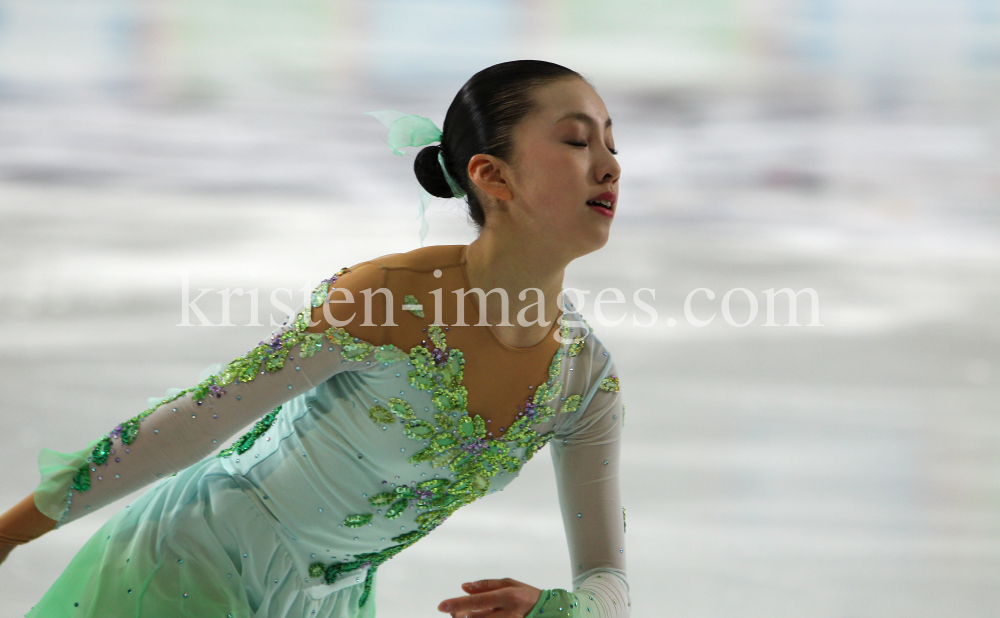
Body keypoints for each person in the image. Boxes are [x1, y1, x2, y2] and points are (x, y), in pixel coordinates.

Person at [0, 59, 628, 618]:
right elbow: (194, 421)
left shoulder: (584, 380)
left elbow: (609, 581)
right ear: (492, 176)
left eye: (612, 144)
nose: (610, 165)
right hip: (195, 561)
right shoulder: (391, 299)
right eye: (577, 140)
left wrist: (558, 610)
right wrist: (10, 533)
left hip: (330, 603)